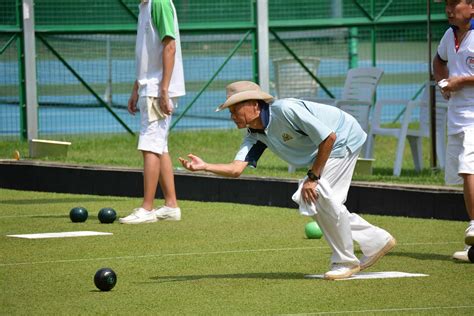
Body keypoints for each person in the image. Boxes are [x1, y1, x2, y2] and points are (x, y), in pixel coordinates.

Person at [178, 81, 396, 280]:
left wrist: (313, 177)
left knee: (316, 193)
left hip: (343, 137)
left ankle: (346, 262)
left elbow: (329, 137)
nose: (232, 116)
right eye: (230, 111)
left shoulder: (285, 110)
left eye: (235, 109)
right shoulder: (255, 135)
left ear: (254, 104)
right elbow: (236, 169)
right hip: (328, 146)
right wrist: (204, 166)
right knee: (315, 198)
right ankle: (376, 240)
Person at [119, 0, 185, 224]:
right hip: (151, 86)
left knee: (149, 145)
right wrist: (136, 87)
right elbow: (147, 54)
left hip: (157, 88)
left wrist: (163, 89)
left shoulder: (159, 3)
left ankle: (147, 209)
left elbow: (169, 46)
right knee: (160, 146)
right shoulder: (145, 6)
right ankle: (171, 205)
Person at [433, 0, 474, 261]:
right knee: (463, 171)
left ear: (472, 6)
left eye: (453, 3)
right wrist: (443, 82)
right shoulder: (449, 35)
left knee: (467, 168)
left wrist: (462, 80)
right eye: (446, 4)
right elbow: (439, 60)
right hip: (456, 115)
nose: (448, 9)